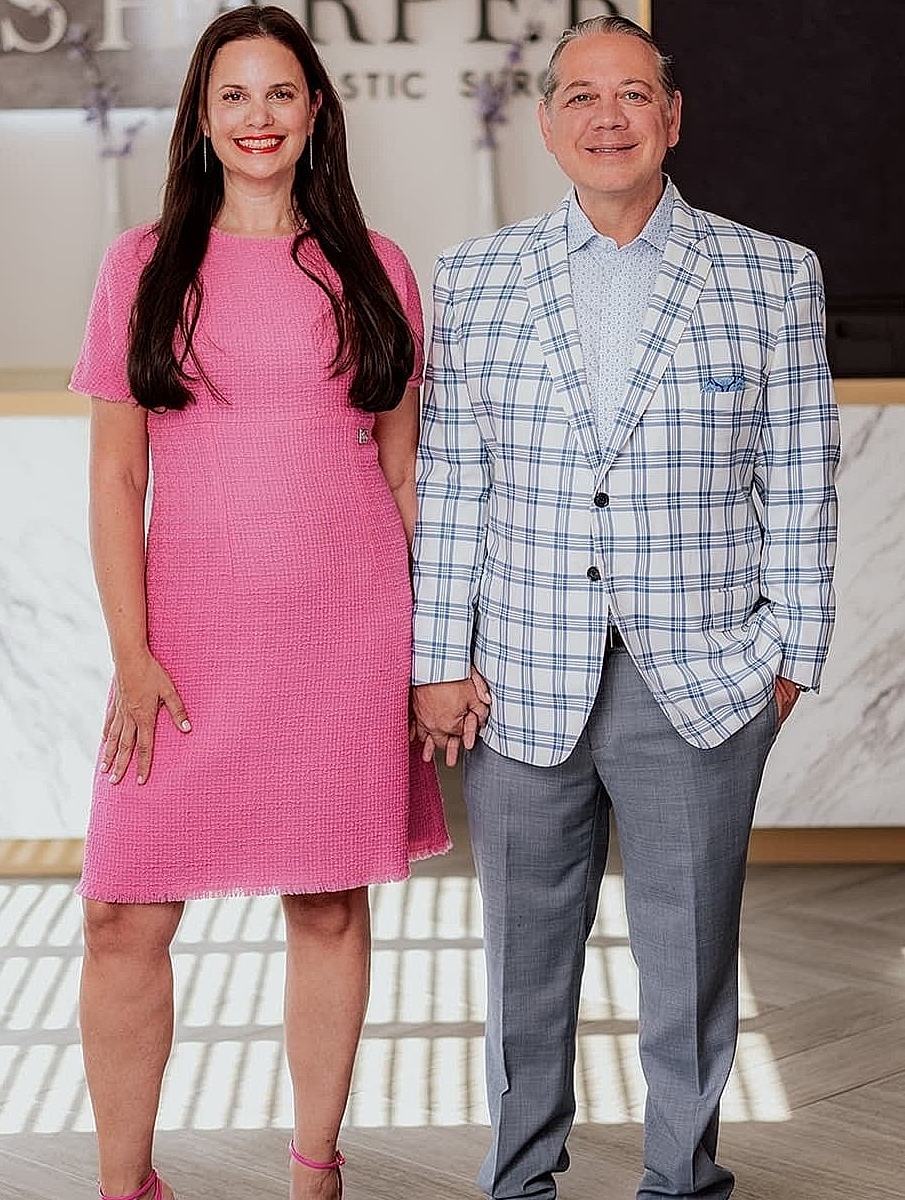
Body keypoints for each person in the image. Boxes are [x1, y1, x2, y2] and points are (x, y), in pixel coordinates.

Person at [411, 15, 839, 1200]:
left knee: (689, 964)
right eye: (583, 97)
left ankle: (680, 1181)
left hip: (703, 680)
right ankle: (519, 1181)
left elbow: (803, 476)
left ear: (673, 118)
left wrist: (789, 655)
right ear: (548, 124)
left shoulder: (772, 274)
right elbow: (451, 483)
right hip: (516, 680)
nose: (610, 117)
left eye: (635, 94)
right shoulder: (475, 278)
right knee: (522, 962)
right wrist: (437, 657)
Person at [71, 7, 448, 1200]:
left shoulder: (376, 266)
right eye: (232, 95)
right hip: (185, 645)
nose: (257, 116)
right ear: (199, 116)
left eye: (280, 92)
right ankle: (126, 1185)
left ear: (317, 111)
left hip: (345, 634)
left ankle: (315, 1170)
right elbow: (116, 477)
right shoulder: (140, 266)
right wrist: (133, 655)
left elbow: (403, 475)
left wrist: (429, 652)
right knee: (122, 916)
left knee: (327, 906)